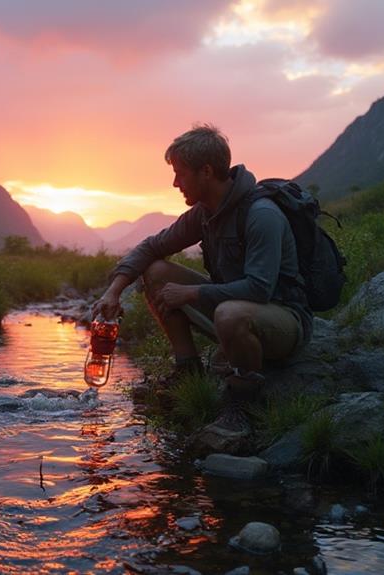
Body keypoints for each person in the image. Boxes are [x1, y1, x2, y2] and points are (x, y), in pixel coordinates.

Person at [91, 124, 313, 432]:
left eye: (180, 173)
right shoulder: (205, 213)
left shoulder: (261, 215)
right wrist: (113, 292)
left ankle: (243, 401)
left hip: (284, 320)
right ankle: (188, 369)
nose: (175, 183)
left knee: (229, 312)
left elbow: (260, 289)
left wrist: (191, 293)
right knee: (156, 271)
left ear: (206, 172)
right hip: (234, 312)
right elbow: (152, 246)